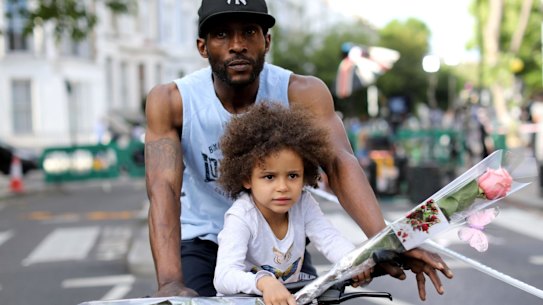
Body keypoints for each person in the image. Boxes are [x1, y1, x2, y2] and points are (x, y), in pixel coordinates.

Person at [144, 0, 453, 300]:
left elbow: (339, 164)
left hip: (280, 240)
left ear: (266, 41)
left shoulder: (302, 93)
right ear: (202, 46)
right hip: (205, 242)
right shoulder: (172, 101)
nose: (237, 44)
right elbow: (163, 189)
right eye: (222, 34)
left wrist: (390, 242)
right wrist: (170, 281)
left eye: (249, 32)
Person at [213, 103, 372, 305]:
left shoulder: (303, 203)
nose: (283, 187)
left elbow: (329, 239)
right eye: (269, 177)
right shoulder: (241, 216)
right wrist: (264, 282)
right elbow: (224, 277)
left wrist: (354, 262)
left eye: (292, 176)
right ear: (246, 179)